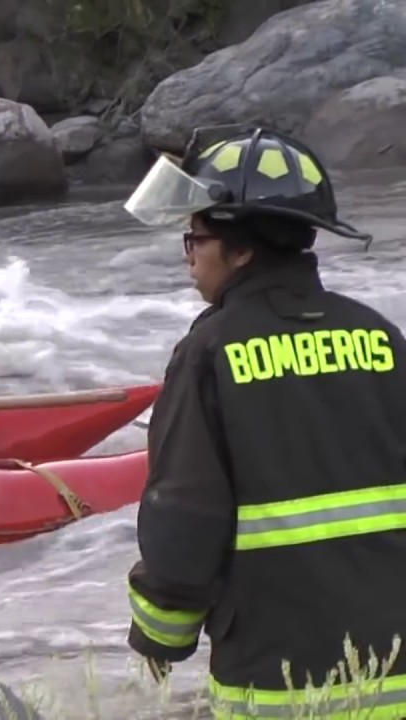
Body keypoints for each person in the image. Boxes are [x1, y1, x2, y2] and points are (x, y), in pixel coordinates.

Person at [121, 123, 406, 717]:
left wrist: (161, 633)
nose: (188, 255)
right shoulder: (380, 335)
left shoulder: (210, 352)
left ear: (242, 248)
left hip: (277, 679)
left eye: (193, 238)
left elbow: (184, 511)